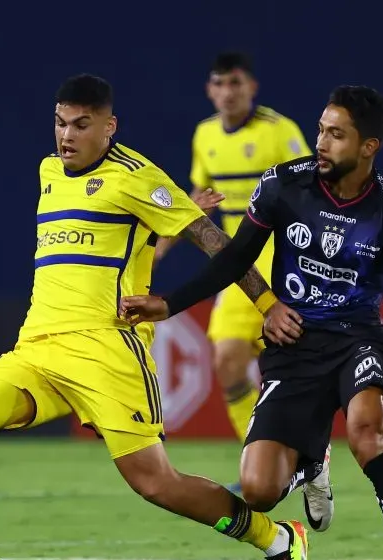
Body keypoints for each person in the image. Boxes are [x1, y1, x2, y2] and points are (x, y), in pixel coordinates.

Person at [0, 74, 313, 560]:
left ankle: (277, 539)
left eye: (82, 125)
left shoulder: (135, 176)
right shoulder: (47, 173)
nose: (67, 136)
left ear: (109, 127)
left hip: (109, 353)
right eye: (60, 123)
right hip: (36, 349)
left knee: (158, 485)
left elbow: (216, 240)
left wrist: (265, 304)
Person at [121, 85, 383, 560]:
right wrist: (170, 304)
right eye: (321, 129)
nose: (321, 142)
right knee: (257, 490)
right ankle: (312, 463)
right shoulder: (283, 185)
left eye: (336, 134)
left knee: (369, 436)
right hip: (292, 346)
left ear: (368, 147)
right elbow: (234, 259)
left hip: (356, 342)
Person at [155, 51, 311, 446]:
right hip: (239, 261)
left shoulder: (279, 131)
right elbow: (198, 196)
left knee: (314, 369)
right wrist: (165, 242)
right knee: (227, 360)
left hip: (286, 258)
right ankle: (259, 452)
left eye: (236, 83)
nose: (228, 92)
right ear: (209, 90)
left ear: (252, 88)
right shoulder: (204, 135)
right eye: (220, 83)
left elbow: (313, 191)